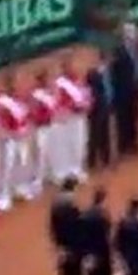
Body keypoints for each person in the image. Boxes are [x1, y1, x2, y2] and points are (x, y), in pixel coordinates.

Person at [0, 72, 34, 203]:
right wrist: (9, 134)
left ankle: (20, 190)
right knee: (7, 167)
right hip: (10, 140)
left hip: (21, 136)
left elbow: (26, 115)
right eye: (10, 82)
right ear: (6, 84)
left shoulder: (19, 99)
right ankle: (3, 195)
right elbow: (0, 123)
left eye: (14, 81)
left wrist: (26, 130)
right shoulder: (2, 101)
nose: (13, 85)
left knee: (23, 164)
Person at [49, 178, 83, 275]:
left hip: (62, 247)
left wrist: (59, 246)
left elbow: (53, 229)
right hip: (73, 248)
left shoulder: (55, 206)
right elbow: (76, 229)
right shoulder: (71, 208)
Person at [81, 187, 114, 275]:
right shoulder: (104, 216)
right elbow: (107, 235)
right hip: (103, 255)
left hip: (91, 254)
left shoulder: (86, 215)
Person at [55, 56, 91, 185]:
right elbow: (59, 103)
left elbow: (86, 95)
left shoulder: (78, 80)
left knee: (81, 143)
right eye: (68, 65)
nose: (72, 67)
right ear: (64, 67)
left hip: (80, 118)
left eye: (72, 64)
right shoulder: (61, 83)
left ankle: (77, 169)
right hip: (69, 120)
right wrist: (71, 108)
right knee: (69, 144)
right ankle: (67, 172)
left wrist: (87, 104)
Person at [111, 23, 138, 156]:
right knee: (123, 118)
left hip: (135, 87)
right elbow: (114, 73)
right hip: (122, 90)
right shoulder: (118, 51)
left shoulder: (136, 48)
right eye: (130, 34)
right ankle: (123, 146)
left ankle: (134, 142)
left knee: (134, 115)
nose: (133, 36)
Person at [30, 69, 60, 196]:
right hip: (41, 128)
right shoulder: (36, 94)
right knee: (41, 154)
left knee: (52, 151)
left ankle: (51, 175)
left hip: (50, 125)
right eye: (43, 78)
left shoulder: (48, 92)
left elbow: (53, 107)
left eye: (46, 78)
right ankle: (38, 182)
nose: (46, 80)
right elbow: (35, 112)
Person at [85, 50, 114, 173]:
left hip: (106, 106)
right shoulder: (93, 74)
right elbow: (91, 91)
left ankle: (106, 160)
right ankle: (92, 162)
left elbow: (110, 89)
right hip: (96, 110)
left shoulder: (108, 72)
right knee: (95, 136)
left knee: (105, 134)